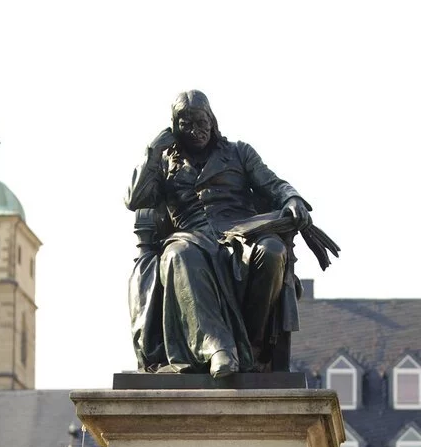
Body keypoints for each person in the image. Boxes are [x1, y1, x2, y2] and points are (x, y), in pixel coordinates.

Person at [126, 90, 337, 376]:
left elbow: (274, 184)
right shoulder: (164, 164)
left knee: (273, 252)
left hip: (240, 235)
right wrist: (152, 151)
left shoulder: (239, 153)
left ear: (212, 121)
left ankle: (251, 348)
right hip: (191, 235)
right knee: (179, 255)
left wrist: (292, 199)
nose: (195, 131)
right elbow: (135, 200)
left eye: (201, 122)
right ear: (175, 128)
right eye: (185, 124)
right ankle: (217, 348)